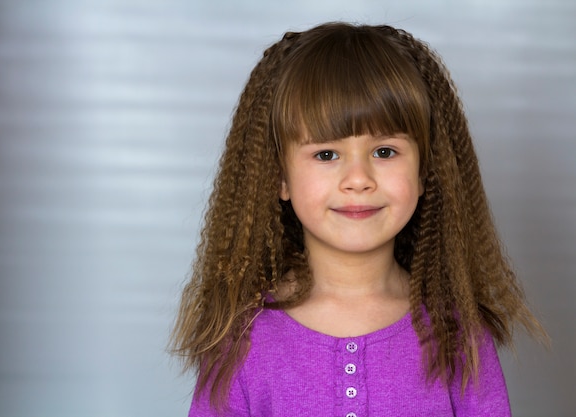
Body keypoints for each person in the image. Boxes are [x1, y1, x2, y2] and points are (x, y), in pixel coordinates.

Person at [170, 22, 546, 416]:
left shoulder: (460, 335)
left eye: (384, 152)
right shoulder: (241, 340)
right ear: (279, 176)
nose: (358, 180)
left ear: (424, 173)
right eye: (326, 154)